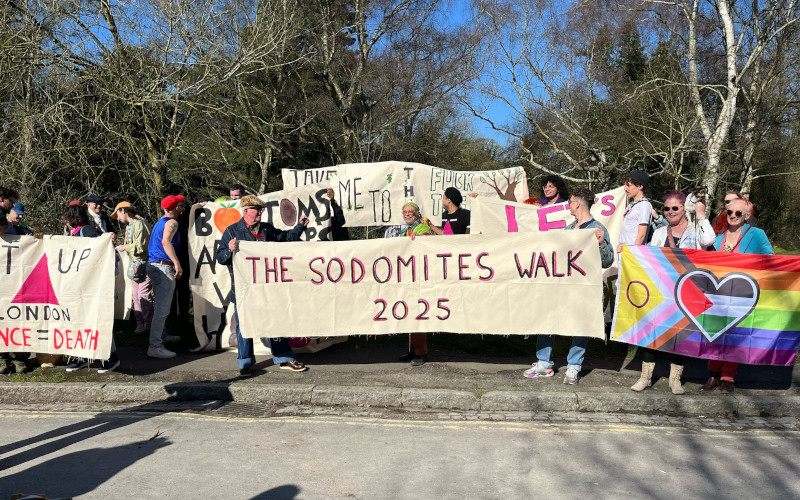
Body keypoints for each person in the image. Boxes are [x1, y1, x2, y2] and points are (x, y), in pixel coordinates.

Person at [524, 187, 613, 385]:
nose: (568, 205)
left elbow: (608, 260)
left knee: (581, 325)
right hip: (563, 285)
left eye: (570, 202)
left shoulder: (598, 228)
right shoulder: (568, 228)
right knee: (547, 318)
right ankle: (544, 362)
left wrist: (600, 243)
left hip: (584, 288)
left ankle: (574, 367)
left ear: (577, 204)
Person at [631, 190, 717, 394]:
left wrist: (701, 215)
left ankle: (675, 379)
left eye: (675, 208)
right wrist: (626, 251)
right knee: (653, 333)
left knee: (682, 335)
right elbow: (650, 258)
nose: (670, 212)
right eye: (666, 208)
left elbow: (709, 241)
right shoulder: (661, 232)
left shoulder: (696, 230)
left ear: (684, 209)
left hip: (690, 292)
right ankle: (645, 378)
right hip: (663, 290)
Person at [216, 195, 310, 376]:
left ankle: (284, 358)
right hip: (244, 290)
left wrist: (300, 227)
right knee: (244, 327)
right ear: (246, 211)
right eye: (257, 209)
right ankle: (245, 363)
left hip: (267, 288)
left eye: (261, 210)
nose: (260, 213)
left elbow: (286, 239)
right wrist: (230, 250)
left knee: (274, 322)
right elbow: (220, 258)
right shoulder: (232, 231)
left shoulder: (267, 229)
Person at [701, 197, 773, 394]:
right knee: (716, 333)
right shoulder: (717, 236)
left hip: (743, 293)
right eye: (729, 212)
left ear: (747, 216)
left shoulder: (757, 235)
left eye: (738, 213)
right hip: (719, 293)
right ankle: (713, 374)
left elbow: (771, 259)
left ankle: (728, 377)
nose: (733, 216)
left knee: (736, 335)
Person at [61, 204, 120, 373]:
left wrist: (107, 237)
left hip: (94, 286)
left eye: (66, 218)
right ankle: (82, 356)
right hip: (79, 286)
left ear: (71, 218)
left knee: (99, 321)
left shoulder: (86, 230)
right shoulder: (71, 233)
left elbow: (103, 248)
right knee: (79, 321)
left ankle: (110, 356)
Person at [385, 202, 433, 366]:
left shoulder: (422, 228)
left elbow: (426, 243)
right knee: (411, 314)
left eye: (410, 211)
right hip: (408, 276)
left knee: (418, 314)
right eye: (404, 211)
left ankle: (421, 352)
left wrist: (420, 240)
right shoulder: (406, 230)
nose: (407, 214)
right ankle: (413, 349)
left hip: (418, 277)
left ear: (417, 213)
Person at [146, 194, 185, 359]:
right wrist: (176, 262)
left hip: (154, 265)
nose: (183, 208)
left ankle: (161, 336)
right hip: (163, 267)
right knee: (162, 309)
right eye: (181, 206)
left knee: (160, 307)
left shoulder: (160, 222)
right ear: (176, 208)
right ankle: (155, 345)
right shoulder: (172, 222)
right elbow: (166, 242)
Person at [113, 202, 154, 334]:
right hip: (135, 265)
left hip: (144, 263)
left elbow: (141, 247)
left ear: (123, 210)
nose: (117, 218)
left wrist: (125, 247)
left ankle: (149, 324)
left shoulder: (139, 224)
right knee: (135, 295)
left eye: (117, 214)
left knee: (143, 294)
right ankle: (140, 324)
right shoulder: (130, 226)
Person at [617, 169, 652, 253]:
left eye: (628, 185)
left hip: (632, 254)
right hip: (624, 252)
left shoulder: (644, 205)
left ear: (640, 186)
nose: (625, 188)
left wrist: (633, 254)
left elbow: (641, 235)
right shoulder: (632, 204)